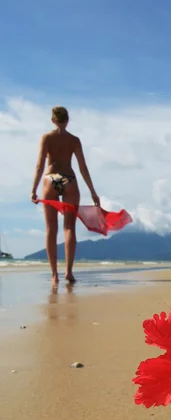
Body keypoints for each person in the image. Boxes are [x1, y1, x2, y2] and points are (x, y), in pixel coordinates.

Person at [31, 106, 100, 285]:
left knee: (51, 230)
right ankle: (68, 272)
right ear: (67, 120)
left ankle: (54, 275)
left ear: (53, 120)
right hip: (69, 179)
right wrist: (93, 191)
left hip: (51, 178)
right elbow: (83, 167)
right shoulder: (74, 140)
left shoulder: (47, 138)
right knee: (69, 228)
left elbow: (39, 166)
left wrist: (34, 189)